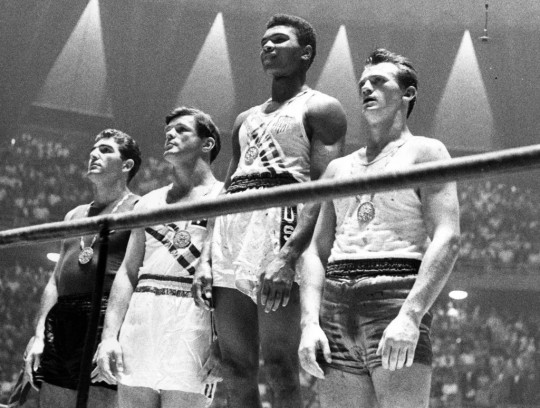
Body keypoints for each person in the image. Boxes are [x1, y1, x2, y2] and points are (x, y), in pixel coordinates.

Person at [192, 13, 347, 408]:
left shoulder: (322, 108)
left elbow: (324, 189)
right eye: (264, 41)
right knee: (235, 366)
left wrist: (289, 255)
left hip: (280, 226)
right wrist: (206, 257)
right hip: (232, 232)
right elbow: (227, 189)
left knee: (279, 366)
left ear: (306, 53)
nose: (268, 46)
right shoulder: (244, 118)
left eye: (279, 40)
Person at [298, 48, 461, 408]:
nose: (366, 89)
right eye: (362, 83)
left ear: (408, 93)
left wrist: (412, 315)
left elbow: (448, 237)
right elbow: (315, 251)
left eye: (378, 81)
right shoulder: (338, 168)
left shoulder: (426, 152)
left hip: (394, 296)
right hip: (335, 302)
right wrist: (309, 323)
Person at [93, 107, 223, 408]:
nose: (170, 135)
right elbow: (127, 272)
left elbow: (231, 278)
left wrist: (224, 343)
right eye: (168, 132)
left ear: (207, 144)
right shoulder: (148, 202)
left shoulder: (225, 197)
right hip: (141, 318)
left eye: (181, 130)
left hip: (195, 322)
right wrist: (109, 336)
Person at [23, 129, 142, 408]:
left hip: (106, 315)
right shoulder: (74, 214)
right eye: (94, 149)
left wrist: (111, 335)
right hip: (62, 319)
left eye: (105, 150)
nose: (94, 154)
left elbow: (134, 274)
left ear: (126, 165)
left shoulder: (139, 208)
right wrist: (39, 334)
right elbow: (55, 281)